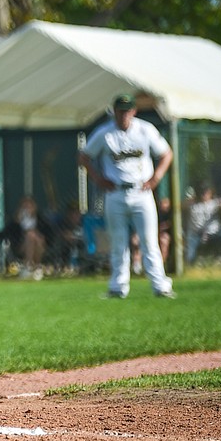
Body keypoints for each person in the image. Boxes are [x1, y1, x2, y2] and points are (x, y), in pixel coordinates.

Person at [78, 94, 175, 298]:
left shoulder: (145, 130)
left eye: (127, 110)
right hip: (116, 192)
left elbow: (166, 153)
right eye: (120, 111)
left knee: (149, 240)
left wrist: (156, 178)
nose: (124, 115)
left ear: (134, 111)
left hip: (142, 191)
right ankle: (118, 287)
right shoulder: (105, 133)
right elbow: (84, 156)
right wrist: (97, 179)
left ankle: (160, 286)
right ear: (114, 111)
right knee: (118, 241)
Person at [185, 184, 221, 264]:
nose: (205, 194)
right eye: (203, 192)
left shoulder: (214, 203)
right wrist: (191, 200)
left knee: (220, 235)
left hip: (212, 234)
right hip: (196, 234)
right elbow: (181, 206)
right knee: (190, 250)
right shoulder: (193, 205)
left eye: (207, 192)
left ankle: (218, 259)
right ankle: (191, 263)